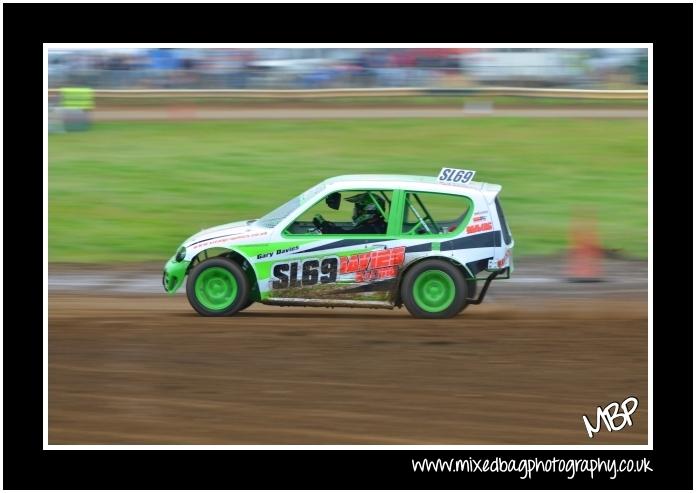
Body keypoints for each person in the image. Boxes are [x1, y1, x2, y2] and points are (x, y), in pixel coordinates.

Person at [313, 192, 387, 234]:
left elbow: (344, 236)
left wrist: (326, 226)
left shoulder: (369, 229)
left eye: (358, 209)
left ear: (369, 209)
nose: (356, 212)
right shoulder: (378, 225)